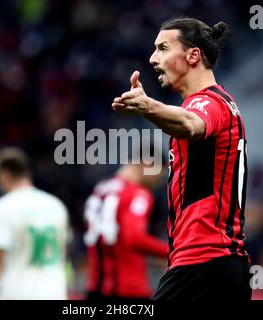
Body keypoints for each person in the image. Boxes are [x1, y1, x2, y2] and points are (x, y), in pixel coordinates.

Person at [112, 17, 251, 301]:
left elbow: (191, 124)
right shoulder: (209, 104)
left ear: (193, 55)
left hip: (204, 260)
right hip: (220, 264)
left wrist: (147, 106)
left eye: (163, 48)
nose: (153, 58)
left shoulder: (209, 102)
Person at [0, 147, 69, 300]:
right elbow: (62, 254)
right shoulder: (56, 206)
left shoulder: (2, 207)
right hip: (54, 293)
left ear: (5, 174)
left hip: (17, 293)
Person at [84, 160, 168, 300]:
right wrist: (171, 252)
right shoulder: (138, 193)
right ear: (146, 164)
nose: (157, 182)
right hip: (128, 289)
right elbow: (134, 237)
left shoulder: (100, 190)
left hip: (95, 287)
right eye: (158, 175)